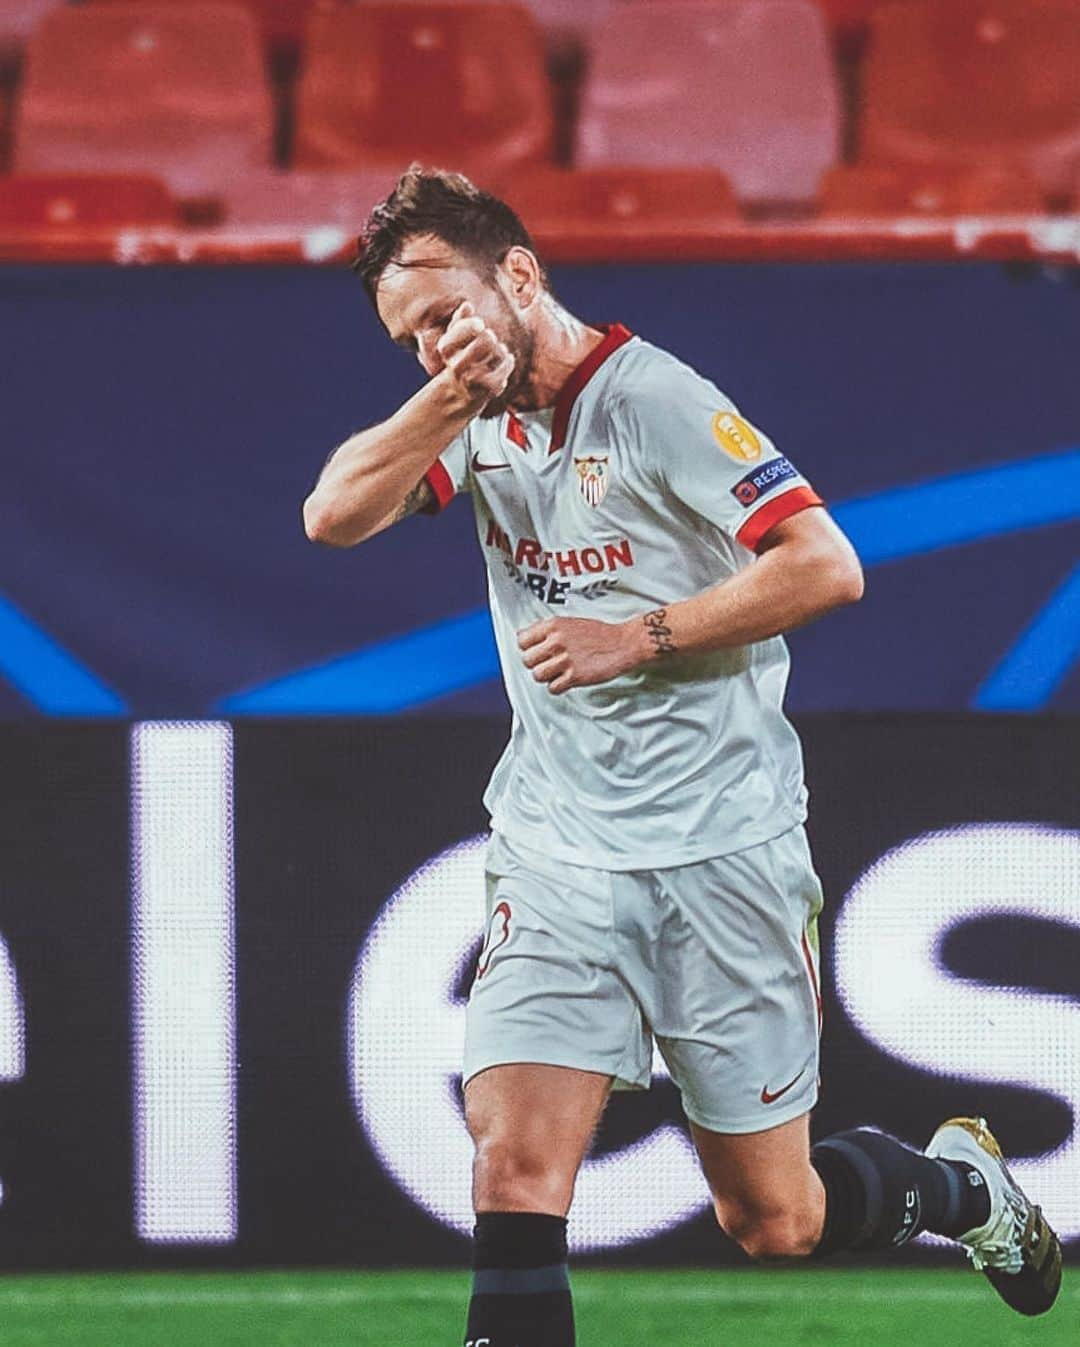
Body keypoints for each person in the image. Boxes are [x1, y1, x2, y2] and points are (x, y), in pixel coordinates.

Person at [303, 166, 1061, 1345]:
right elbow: (332, 516)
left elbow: (827, 564)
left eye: (448, 312)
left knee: (773, 1217)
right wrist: (445, 401)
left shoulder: (653, 402)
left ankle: (961, 1189)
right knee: (513, 1172)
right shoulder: (474, 421)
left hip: (720, 857)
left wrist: (638, 636)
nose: (436, 345)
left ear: (520, 275)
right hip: (555, 856)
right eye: (411, 338)